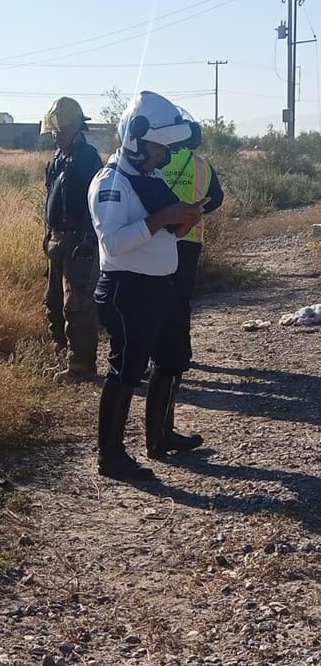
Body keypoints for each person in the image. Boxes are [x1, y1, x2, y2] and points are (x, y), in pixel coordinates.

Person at [89, 91, 205, 480]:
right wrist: (164, 218)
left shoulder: (149, 177)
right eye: (159, 147)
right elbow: (113, 243)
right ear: (137, 140)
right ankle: (111, 456)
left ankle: (160, 437)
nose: (165, 155)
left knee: (172, 359)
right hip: (128, 291)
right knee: (125, 371)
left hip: (161, 287)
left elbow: (167, 231)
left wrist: (183, 220)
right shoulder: (111, 182)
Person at [153, 113, 224, 455]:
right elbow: (216, 199)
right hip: (188, 243)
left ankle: (154, 355)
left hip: (153, 242)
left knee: (153, 305)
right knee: (179, 309)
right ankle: (172, 357)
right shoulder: (201, 166)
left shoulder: (155, 159)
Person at [40, 97, 104, 384]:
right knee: (53, 302)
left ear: (75, 129)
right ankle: (63, 355)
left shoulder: (88, 159)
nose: (55, 135)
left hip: (80, 241)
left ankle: (81, 366)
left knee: (77, 305)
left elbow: (96, 201)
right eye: (54, 130)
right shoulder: (57, 159)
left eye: (60, 130)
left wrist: (89, 238)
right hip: (57, 239)